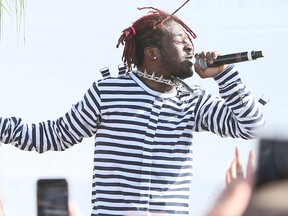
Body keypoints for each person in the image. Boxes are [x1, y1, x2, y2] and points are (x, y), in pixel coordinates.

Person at [0, 5, 265, 216]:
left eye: (190, 42)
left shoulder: (192, 100)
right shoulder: (108, 92)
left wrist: (225, 76)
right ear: (153, 54)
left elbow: (251, 127)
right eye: (181, 41)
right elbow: (53, 136)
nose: (190, 47)